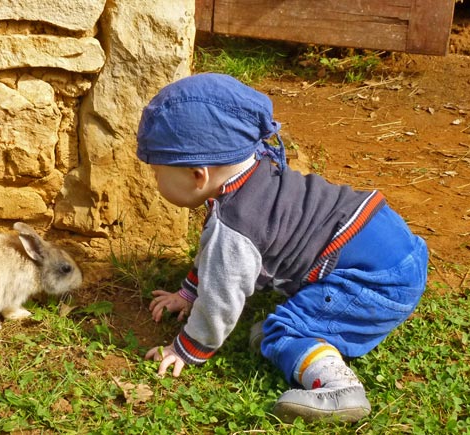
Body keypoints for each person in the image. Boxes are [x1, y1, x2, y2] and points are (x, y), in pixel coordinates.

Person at [137, 73, 428, 423]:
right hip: (391, 243)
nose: (155, 182)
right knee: (267, 327)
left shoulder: (236, 224)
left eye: (157, 173)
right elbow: (215, 258)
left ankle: (339, 388)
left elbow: (221, 297)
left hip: (374, 281)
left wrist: (186, 349)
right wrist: (187, 294)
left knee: (281, 332)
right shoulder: (257, 171)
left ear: (199, 175)